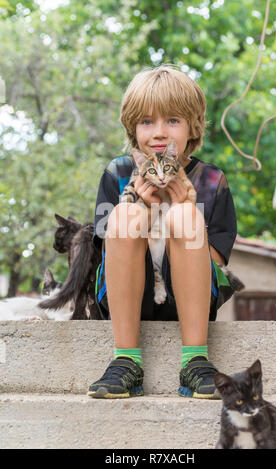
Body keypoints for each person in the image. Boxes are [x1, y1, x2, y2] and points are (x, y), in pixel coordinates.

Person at [88, 65, 237, 399]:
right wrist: (141, 206)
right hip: (128, 296)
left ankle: (195, 359)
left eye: (172, 120)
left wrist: (180, 208)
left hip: (190, 297)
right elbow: (106, 251)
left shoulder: (211, 180)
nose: (159, 133)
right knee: (125, 215)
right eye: (146, 121)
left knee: (185, 216)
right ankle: (126, 359)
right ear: (133, 128)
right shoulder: (118, 172)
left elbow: (215, 259)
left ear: (192, 127)